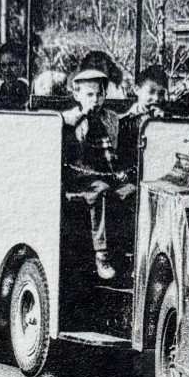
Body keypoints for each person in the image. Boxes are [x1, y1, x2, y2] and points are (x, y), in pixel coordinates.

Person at [61, 51, 134, 281]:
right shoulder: (70, 117)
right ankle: (101, 253)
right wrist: (83, 117)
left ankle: (130, 251)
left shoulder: (110, 117)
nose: (95, 100)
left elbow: (117, 139)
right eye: (90, 94)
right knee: (101, 191)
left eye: (100, 94)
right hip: (82, 177)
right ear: (77, 94)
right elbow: (72, 149)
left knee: (131, 192)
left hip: (108, 173)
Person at [118, 64, 170, 181]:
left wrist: (162, 123)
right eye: (151, 92)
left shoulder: (170, 122)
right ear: (137, 90)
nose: (156, 98)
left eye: (161, 93)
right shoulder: (123, 123)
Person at [0, 41, 31, 109]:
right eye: (3, 65)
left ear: (22, 66)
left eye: (12, 64)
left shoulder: (28, 92)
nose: (7, 70)